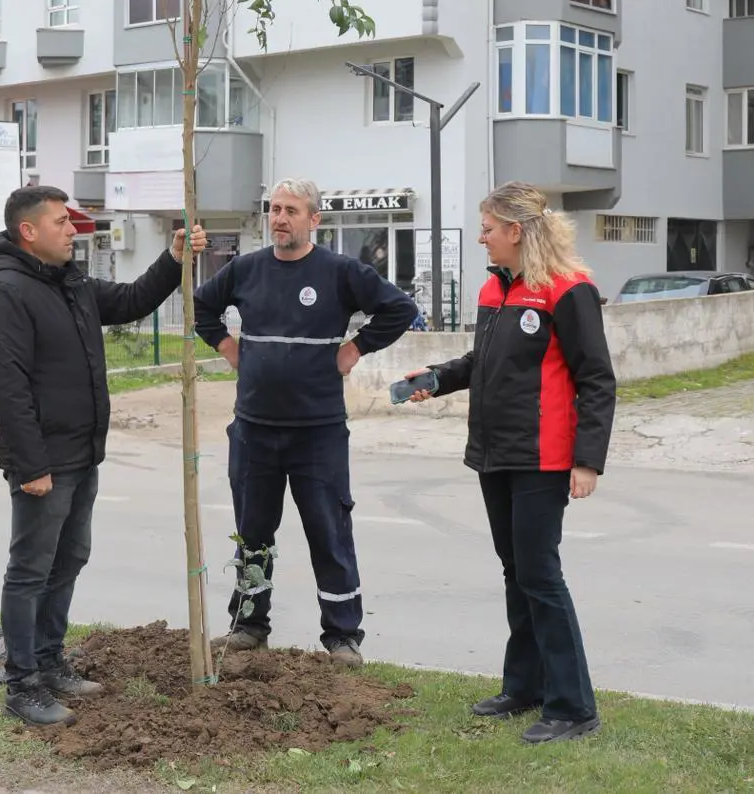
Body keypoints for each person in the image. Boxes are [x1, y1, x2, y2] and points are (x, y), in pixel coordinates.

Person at [0, 185, 205, 727]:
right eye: (61, 223)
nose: (73, 231)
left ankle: (51, 662)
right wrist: (31, 467)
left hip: (81, 455)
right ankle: (22, 685)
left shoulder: (68, 282)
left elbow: (128, 302)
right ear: (28, 231)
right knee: (30, 570)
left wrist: (173, 259)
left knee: (69, 558)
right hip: (43, 462)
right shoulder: (5, 293)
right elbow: (7, 389)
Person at [400, 181, 613, 745]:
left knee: (541, 576)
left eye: (488, 229)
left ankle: (573, 706)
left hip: (543, 457)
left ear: (516, 231)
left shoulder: (569, 290)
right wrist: (437, 379)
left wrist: (587, 461)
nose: (482, 238)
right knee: (516, 572)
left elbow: (597, 380)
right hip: (494, 454)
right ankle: (525, 687)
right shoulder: (496, 290)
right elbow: (482, 361)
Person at [193, 177, 418, 667]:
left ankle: (342, 636)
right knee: (253, 533)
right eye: (274, 209)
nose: (280, 218)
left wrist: (356, 348)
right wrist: (229, 348)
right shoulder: (245, 270)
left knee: (329, 531)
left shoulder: (340, 272)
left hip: (318, 432)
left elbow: (400, 308)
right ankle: (249, 625)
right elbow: (202, 307)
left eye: (291, 210)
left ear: (314, 219)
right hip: (253, 429)